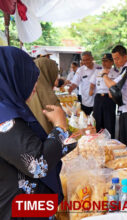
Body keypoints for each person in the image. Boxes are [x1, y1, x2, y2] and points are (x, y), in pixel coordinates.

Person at [0, 47, 77, 220]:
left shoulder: (11, 109)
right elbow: (37, 164)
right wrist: (60, 126)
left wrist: (70, 143)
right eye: (30, 77)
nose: (35, 84)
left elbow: (28, 149)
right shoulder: (3, 117)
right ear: (13, 76)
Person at [27, 56, 61, 134]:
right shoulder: (49, 97)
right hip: (48, 140)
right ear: (50, 72)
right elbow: (61, 127)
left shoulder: (26, 89)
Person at [89, 53, 119, 138]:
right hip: (98, 98)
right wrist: (91, 90)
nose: (104, 63)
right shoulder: (98, 71)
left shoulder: (116, 73)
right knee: (97, 120)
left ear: (112, 62)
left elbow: (117, 86)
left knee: (109, 121)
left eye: (106, 61)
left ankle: (110, 142)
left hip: (109, 99)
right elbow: (92, 83)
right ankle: (98, 140)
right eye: (103, 61)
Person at [68, 51, 101, 115]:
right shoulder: (81, 70)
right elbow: (75, 83)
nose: (86, 62)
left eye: (88, 59)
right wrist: (70, 90)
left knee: (97, 122)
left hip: (98, 100)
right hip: (86, 100)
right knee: (86, 120)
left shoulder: (99, 68)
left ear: (92, 58)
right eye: (84, 60)